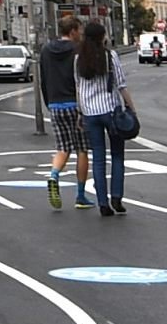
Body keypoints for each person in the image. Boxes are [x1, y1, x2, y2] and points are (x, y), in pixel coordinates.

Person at [74, 17, 132, 215]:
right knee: (117, 155)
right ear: (102, 37)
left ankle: (102, 203)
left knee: (98, 158)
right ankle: (117, 197)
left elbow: (79, 87)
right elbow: (121, 84)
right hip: (111, 111)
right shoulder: (110, 56)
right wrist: (131, 107)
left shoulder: (78, 59)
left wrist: (80, 112)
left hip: (90, 113)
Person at [36, 13, 84, 209]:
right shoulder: (78, 49)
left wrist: (49, 102)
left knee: (63, 147)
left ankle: (54, 174)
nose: (81, 34)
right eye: (79, 30)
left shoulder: (46, 50)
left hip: (55, 104)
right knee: (82, 149)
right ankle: (81, 196)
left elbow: (43, 78)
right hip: (76, 105)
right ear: (72, 31)